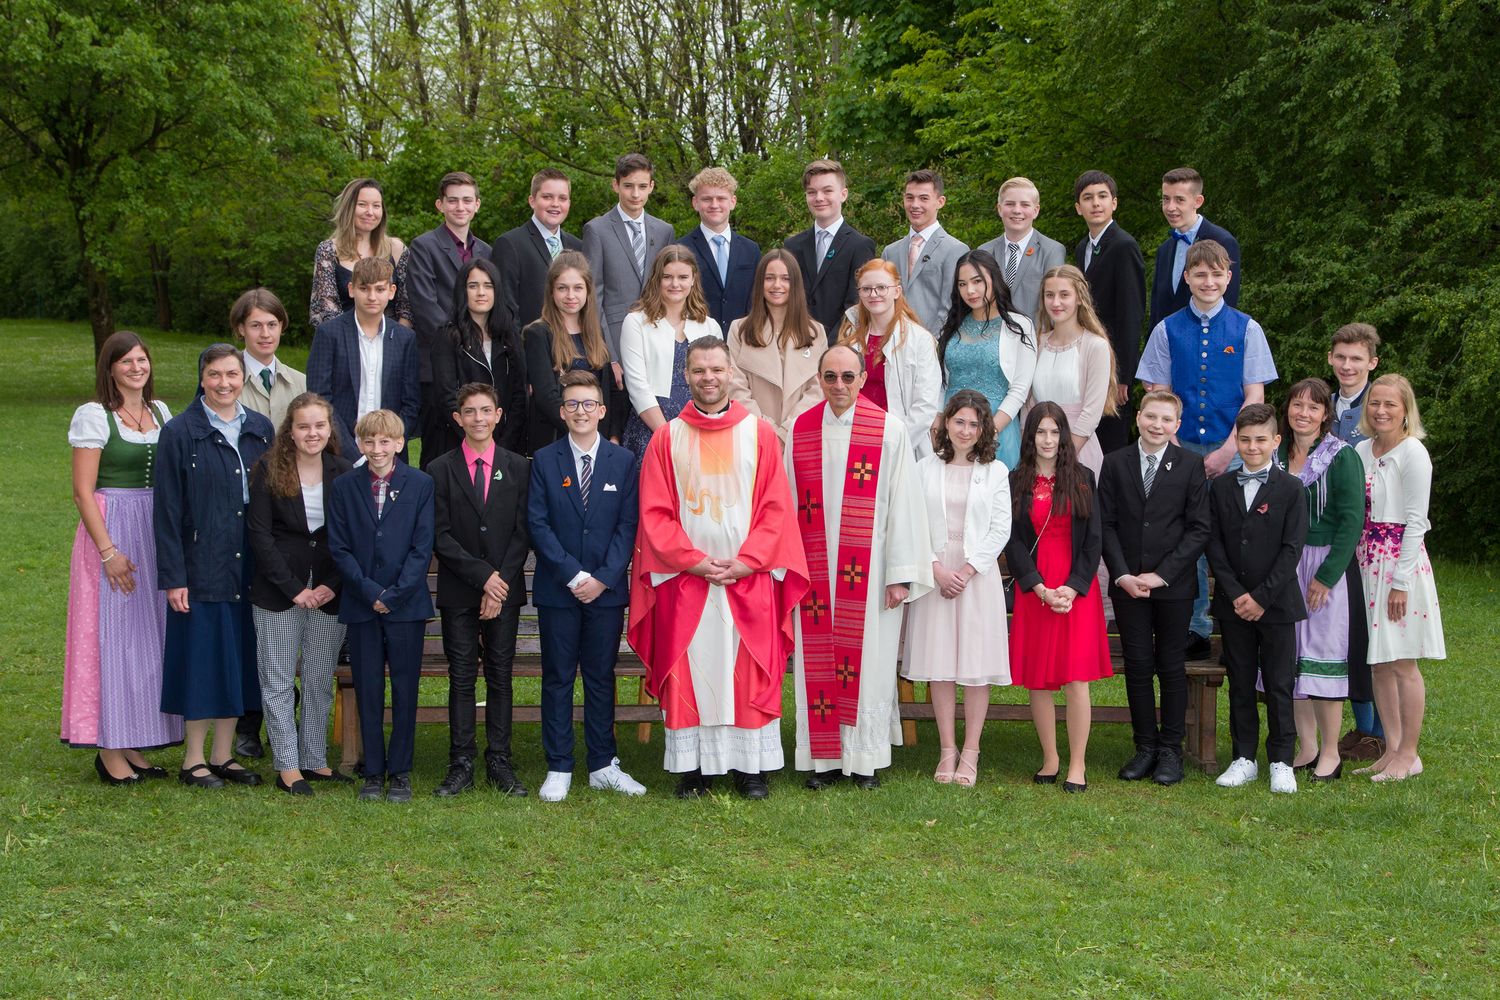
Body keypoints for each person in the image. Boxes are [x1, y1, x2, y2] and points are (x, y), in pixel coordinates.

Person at [631, 337, 809, 800]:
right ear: (685, 376)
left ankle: (751, 768)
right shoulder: (667, 438)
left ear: (731, 373)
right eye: (698, 370)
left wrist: (746, 562)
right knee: (691, 672)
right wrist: (694, 561)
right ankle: (695, 770)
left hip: (747, 578)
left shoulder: (760, 434)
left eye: (716, 369)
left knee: (747, 668)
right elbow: (655, 513)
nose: (708, 378)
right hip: (687, 581)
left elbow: (776, 509)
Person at [789, 344, 933, 790]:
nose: (839, 385)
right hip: (815, 573)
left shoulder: (888, 430)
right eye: (830, 377)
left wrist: (900, 575)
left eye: (848, 377)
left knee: (868, 666)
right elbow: (787, 504)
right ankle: (824, 761)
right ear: (818, 379)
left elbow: (905, 505)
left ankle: (865, 760)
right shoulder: (800, 429)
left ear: (863, 379)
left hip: (868, 574)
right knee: (819, 666)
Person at [1137, 238, 1277, 660]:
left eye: (1217, 274)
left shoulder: (1247, 329)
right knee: (1187, 535)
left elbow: (1254, 395)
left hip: (1235, 448)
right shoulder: (1166, 329)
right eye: (1200, 274)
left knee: (1239, 535)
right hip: (1180, 446)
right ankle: (1194, 627)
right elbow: (1157, 393)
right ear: (1187, 277)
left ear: (1228, 278)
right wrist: (1177, 447)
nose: (1209, 281)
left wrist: (1230, 448)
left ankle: (1241, 623)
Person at [64, 331, 183, 783]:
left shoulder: (161, 413)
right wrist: (108, 552)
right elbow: (82, 491)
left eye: (141, 360)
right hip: (112, 526)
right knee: (111, 637)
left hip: (154, 528)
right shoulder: (94, 415)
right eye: (126, 361)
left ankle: (132, 738)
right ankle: (108, 747)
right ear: (110, 368)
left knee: (147, 636)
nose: (136, 368)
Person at [155, 344, 274, 789]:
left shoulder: (260, 428)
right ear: (201, 378)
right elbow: (167, 511)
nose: (224, 383)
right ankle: (193, 759)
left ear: (243, 378)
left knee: (237, 658)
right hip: (202, 560)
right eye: (214, 375)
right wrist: (174, 577)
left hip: (249, 561)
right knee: (203, 659)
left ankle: (224, 756)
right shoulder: (180, 431)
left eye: (231, 374)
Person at [529, 371, 645, 802]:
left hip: (605, 592)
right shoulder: (544, 460)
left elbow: (628, 525)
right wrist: (574, 575)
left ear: (602, 410)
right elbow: (538, 524)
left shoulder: (623, 462)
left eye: (589, 404)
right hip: (559, 590)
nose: (581, 411)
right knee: (558, 677)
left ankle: (602, 764)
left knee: (600, 677)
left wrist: (603, 578)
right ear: (562, 412)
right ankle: (559, 765)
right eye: (572, 404)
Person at [1098, 390, 1209, 786]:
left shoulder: (1190, 465)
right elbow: (1105, 524)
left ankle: (1170, 750)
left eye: (1166, 419)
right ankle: (1145, 746)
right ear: (1138, 417)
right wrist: (1123, 574)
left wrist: (1162, 574)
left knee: (1171, 665)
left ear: (1177, 425)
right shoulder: (1115, 463)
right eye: (1151, 416)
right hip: (1128, 585)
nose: (1157, 425)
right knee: (1139, 664)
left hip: (1172, 586)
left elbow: (1199, 528)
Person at [246, 393, 353, 796]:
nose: (312, 433)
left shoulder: (343, 472)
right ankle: (288, 766)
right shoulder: (268, 469)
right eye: (304, 426)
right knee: (277, 679)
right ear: (289, 431)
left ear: (329, 429)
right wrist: (294, 589)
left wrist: (331, 584)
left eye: (319, 425)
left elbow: (354, 537)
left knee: (319, 679)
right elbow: (259, 535)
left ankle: (314, 759)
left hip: (329, 590)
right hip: (278, 591)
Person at [327, 409, 435, 802]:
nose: (377, 449)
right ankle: (373, 771)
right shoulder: (344, 486)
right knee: (368, 687)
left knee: (405, 689)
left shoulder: (420, 484)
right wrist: (370, 591)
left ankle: (400, 771)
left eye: (385, 441)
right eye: (369, 441)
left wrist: (394, 594)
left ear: (400, 443)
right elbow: (339, 547)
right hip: (362, 604)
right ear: (359, 443)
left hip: (406, 606)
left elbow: (422, 546)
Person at [903, 390, 1011, 786]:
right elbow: (912, 522)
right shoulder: (923, 469)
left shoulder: (995, 471)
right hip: (935, 574)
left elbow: (1000, 528)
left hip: (976, 577)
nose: (965, 430)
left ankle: (972, 751)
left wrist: (966, 571)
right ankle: (947, 749)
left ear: (983, 430)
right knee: (941, 663)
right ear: (946, 423)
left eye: (973, 424)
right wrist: (935, 568)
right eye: (959, 421)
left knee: (975, 665)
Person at [428, 384, 531, 797]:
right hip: (459, 590)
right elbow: (440, 535)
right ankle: (462, 762)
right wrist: (482, 577)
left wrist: (497, 584)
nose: (478, 419)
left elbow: (523, 531)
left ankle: (500, 759)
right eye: (469, 412)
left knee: (501, 674)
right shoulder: (439, 469)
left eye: (486, 410)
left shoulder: (518, 467)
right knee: (462, 675)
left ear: (499, 414)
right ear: (458, 418)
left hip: (505, 590)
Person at [1005, 404, 1113, 792]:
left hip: (1074, 589)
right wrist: (1038, 587)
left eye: (1054, 432)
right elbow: (1013, 541)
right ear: (1029, 437)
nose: (1048, 440)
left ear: (1063, 436)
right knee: (1039, 680)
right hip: (1036, 589)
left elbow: (1094, 539)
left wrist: (1073, 586)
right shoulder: (1016, 480)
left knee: (1076, 678)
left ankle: (1077, 764)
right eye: (1040, 432)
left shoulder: (1083, 478)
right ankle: (1050, 757)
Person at [1207, 403, 1308, 794]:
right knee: (1241, 680)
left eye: (1260, 440)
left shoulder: (1291, 489)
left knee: (1280, 683)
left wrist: (1262, 597)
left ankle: (1282, 760)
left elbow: (1292, 549)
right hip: (1234, 604)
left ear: (1276, 441)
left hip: (1276, 604)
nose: (1252, 447)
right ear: (1237, 440)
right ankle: (1244, 757)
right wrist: (1236, 593)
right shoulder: (1221, 488)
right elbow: (1214, 544)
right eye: (1245, 440)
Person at [1273, 379, 1364, 781]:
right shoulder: (1275, 452)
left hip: (1322, 564)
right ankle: (1307, 746)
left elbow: (1351, 520)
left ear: (1326, 414)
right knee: (1291, 658)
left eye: (1313, 407)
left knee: (1323, 659)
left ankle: (1331, 751)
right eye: (1297, 405)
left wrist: (1326, 577)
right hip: (1284, 565)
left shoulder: (1341, 456)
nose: (1303, 413)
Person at [1355, 374, 1445, 782]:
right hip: (1367, 563)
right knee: (1379, 662)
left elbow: (1416, 521)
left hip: (1398, 565)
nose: (1381, 411)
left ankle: (1410, 753)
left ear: (1405, 410)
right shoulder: (1362, 450)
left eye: (1390, 404)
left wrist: (1401, 583)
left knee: (1403, 661)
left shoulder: (1413, 453)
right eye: (1375, 403)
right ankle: (1390, 749)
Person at [397, 171, 490, 468]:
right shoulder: (424, 247)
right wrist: (467, 342)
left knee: (477, 449)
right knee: (438, 452)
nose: (460, 207)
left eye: (467, 200)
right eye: (453, 200)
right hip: (438, 366)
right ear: (440, 205)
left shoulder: (486, 251)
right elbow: (425, 306)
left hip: (478, 365)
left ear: (477, 204)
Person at [1327, 322, 1383, 760]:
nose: (1348, 366)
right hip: (1331, 536)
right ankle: (1363, 726)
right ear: (1331, 359)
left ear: (1372, 363)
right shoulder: (1322, 406)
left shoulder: (1380, 408)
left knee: (1373, 636)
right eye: (1341, 357)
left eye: (1357, 359)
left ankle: (1379, 731)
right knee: (1347, 634)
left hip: (1373, 539)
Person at [306, 257, 421, 462]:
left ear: (392, 291)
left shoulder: (405, 338)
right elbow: (320, 399)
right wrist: (352, 453)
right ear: (351, 289)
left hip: (390, 454)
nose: (372, 296)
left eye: (379, 289)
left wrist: (389, 445)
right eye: (364, 288)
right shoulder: (329, 334)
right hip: (340, 452)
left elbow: (411, 402)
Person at [619, 245, 722, 461]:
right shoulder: (636, 322)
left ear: (693, 279)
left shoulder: (709, 326)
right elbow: (637, 386)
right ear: (657, 279)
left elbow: (718, 382)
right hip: (651, 428)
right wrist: (667, 435)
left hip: (700, 426)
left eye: (683, 277)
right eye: (667, 277)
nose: (675, 284)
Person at [936, 249, 1036, 469]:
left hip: (996, 429)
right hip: (952, 429)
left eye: (977, 281)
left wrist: (989, 431)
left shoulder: (1019, 326)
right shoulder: (953, 325)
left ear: (994, 278)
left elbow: (1020, 389)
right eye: (962, 284)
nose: (970, 290)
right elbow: (942, 382)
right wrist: (938, 420)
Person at [834, 259, 943, 460]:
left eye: (881, 287)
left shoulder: (919, 340)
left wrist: (893, 445)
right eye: (866, 289)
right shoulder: (850, 338)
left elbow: (926, 405)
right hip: (854, 439)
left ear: (897, 291)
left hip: (900, 445)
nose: (873, 294)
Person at [582, 153, 675, 381]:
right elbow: (593, 295)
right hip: (616, 342)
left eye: (642, 186)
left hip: (657, 340)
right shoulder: (597, 230)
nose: (635, 194)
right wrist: (609, 355)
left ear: (651, 187)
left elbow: (671, 290)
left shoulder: (664, 231)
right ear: (615, 185)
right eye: (628, 186)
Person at [523, 251, 626, 453]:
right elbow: (546, 397)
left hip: (598, 442)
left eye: (578, 288)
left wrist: (613, 435)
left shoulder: (596, 332)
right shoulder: (538, 333)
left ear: (588, 291)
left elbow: (611, 391)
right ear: (551, 291)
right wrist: (583, 432)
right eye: (562, 288)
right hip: (557, 442)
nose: (570, 295)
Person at [1072, 170, 1146, 454]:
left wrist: (1123, 376)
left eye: (1102, 196)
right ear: (1078, 207)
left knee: (1109, 446)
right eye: (1088, 198)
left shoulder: (1124, 246)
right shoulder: (1083, 247)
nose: (1096, 203)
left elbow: (1131, 314)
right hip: (1086, 358)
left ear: (1114, 203)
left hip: (1114, 367)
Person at [428, 256, 527, 460]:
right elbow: (446, 397)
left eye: (488, 286)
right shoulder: (447, 337)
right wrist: (477, 440)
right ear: (462, 291)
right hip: (458, 445)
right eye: (473, 286)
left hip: (505, 445)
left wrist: (502, 444)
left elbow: (519, 394)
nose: (481, 292)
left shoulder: (510, 337)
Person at [726, 249, 824, 444]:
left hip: (800, 437)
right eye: (769, 278)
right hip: (754, 438)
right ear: (759, 283)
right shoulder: (739, 330)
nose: (777, 285)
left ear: (795, 284)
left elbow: (818, 389)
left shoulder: (815, 332)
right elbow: (734, 386)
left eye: (785, 278)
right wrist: (768, 432)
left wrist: (787, 432)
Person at [1031, 265, 1119, 476]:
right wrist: (1031, 451)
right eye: (1049, 295)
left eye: (1064, 295)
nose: (1056, 302)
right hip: (1037, 450)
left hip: (1077, 449)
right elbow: (1029, 404)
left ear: (1079, 297)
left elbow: (1092, 411)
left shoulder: (1095, 346)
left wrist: (1064, 457)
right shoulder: (1037, 342)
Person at [782, 159, 877, 345]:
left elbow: (856, 305)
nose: (819, 198)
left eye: (827, 191)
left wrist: (828, 346)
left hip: (840, 345)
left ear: (843, 194)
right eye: (812, 192)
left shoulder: (860, 246)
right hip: (795, 342)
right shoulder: (792, 246)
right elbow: (786, 297)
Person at [485, 167, 584, 330]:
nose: (555, 204)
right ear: (532, 201)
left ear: (569, 203)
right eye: (547, 197)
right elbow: (505, 308)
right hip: (529, 341)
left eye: (562, 198)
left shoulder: (578, 246)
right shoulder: (510, 244)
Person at [1148, 166, 1242, 332]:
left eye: (1179, 200)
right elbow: (1157, 309)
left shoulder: (1223, 241)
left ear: (1197, 201)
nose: (1170, 207)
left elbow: (1228, 305)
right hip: (1166, 343)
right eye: (1166, 199)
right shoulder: (1165, 249)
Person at [311, 178, 408, 329]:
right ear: (348, 208)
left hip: (392, 337)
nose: (370, 212)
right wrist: (353, 339)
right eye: (362, 204)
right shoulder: (328, 251)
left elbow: (407, 306)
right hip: (342, 337)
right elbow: (326, 309)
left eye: (376, 206)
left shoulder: (396, 249)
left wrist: (397, 337)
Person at [882, 169, 969, 334]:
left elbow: (951, 306)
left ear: (940, 202)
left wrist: (929, 342)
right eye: (910, 198)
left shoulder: (956, 250)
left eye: (923, 198)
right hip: (891, 340)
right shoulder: (890, 252)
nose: (915, 205)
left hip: (935, 342)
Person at [677, 166, 760, 332]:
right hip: (697, 338)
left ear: (733, 202)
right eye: (707, 199)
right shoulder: (681, 249)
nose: (714, 205)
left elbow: (757, 298)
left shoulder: (751, 250)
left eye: (721, 198)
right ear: (695, 203)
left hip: (743, 338)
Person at [976, 177, 1067, 321]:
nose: (1017, 210)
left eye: (1025, 205)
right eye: (1010, 204)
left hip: (1035, 333)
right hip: (991, 332)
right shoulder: (984, 251)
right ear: (999, 209)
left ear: (1036, 210)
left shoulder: (1052, 251)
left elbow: (1055, 302)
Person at [232, 287, 307, 429]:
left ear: (281, 326)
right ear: (241, 328)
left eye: (272, 325)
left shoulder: (302, 384)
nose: (265, 334)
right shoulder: (225, 384)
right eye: (256, 325)